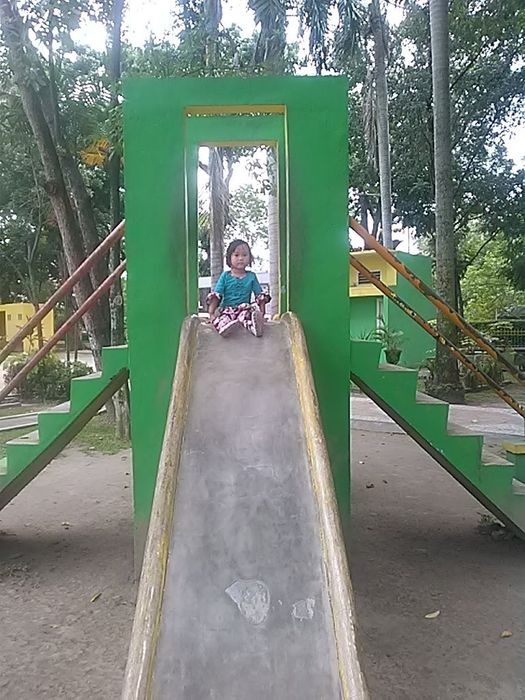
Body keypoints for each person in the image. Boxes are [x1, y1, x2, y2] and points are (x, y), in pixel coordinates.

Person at [207, 239, 270, 337]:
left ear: (249, 258)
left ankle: (255, 328)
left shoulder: (251, 276)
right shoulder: (225, 276)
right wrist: (211, 314)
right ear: (229, 258)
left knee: (247, 316)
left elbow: (260, 296)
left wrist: (262, 314)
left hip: (244, 309)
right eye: (236, 255)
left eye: (244, 255)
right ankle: (225, 328)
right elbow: (216, 296)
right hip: (228, 310)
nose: (241, 258)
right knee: (223, 319)